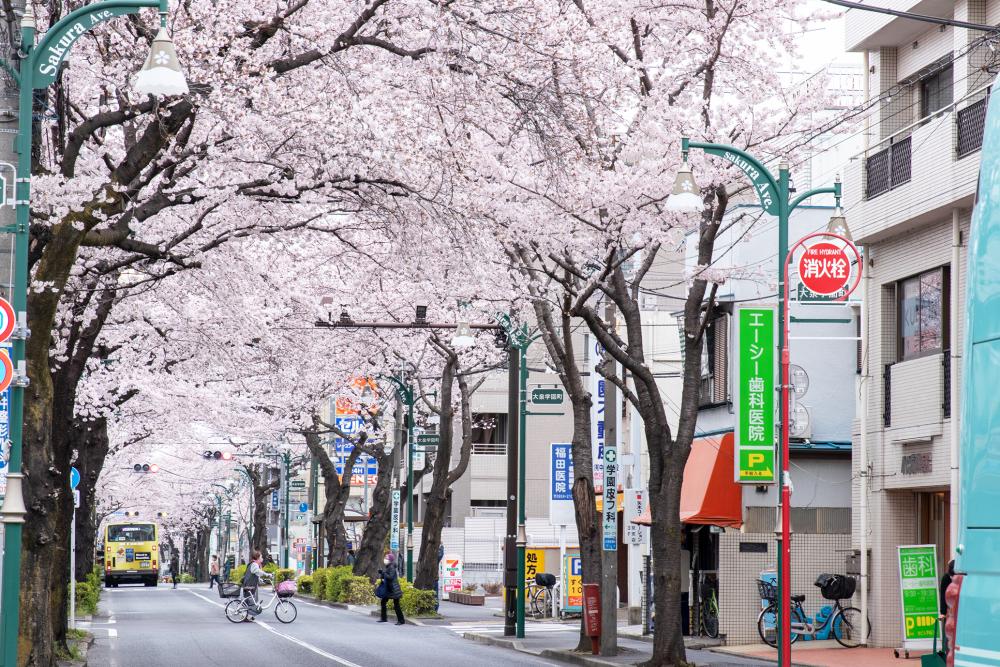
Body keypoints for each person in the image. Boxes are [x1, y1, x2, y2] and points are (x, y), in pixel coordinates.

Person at [241, 550, 272, 622]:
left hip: (249, 585)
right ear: (258, 558)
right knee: (251, 601)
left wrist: (261, 580)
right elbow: (257, 572)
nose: (262, 558)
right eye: (261, 557)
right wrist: (267, 574)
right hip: (250, 585)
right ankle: (246, 615)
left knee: (249, 601)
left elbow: (255, 574)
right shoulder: (254, 564)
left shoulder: (252, 564)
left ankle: (247, 616)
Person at [377, 553, 405, 625]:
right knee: (383, 602)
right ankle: (384, 618)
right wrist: (381, 573)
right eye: (385, 557)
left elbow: (390, 577)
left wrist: (383, 573)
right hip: (388, 589)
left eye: (387, 558)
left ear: (390, 560)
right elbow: (386, 577)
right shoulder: (388, 566)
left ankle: (401, 620)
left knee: (396, 605)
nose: (385, 559)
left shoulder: (391, 567)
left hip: (394, 589)